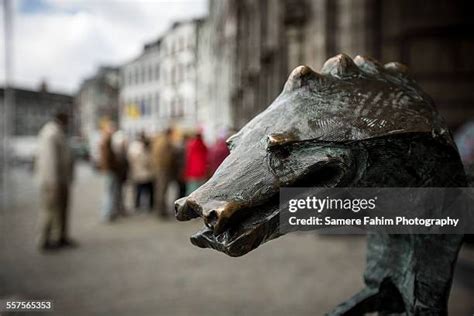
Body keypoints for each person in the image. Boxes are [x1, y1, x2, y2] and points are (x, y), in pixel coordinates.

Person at [36, 112, 75, 251]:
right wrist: (53, 182)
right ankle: (44, 240)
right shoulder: (50, 133)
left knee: (62, 210)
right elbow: (49, 160)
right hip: (52, 182)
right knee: (49, 211)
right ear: (62, 119)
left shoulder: (59, 133)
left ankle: (61, 237)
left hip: (62, 180)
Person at [151, 128, 177, 218]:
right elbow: (167, 157)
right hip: (163, 168)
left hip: (159, 168)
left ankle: (160, 209)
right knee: (162, 190)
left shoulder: (159, 140)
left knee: (160, 190)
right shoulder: (165, 142)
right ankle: (161, 211)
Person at [99, 123, 121, 222]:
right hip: (110, 171)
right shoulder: (107, 141)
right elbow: (109, 158)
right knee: (109, 193)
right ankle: (107, 214)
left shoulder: (105, 141)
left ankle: (109, 213)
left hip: (108, 170)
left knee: (109, 192)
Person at [127, 133, 154, 212]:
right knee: (147, 190)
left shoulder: (132, 148)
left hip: (137, 173)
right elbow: (146, 161)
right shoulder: (142, 149)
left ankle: (137, 205)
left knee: (138, 190)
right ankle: (148, 205)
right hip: (145, 173)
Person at [184, 131, 208, 195]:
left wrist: (187, 172)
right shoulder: (204, 146)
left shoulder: (190, 146)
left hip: (192, 172)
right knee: (200, 192)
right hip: (202, 172)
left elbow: (188, 160)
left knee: (191, 191)